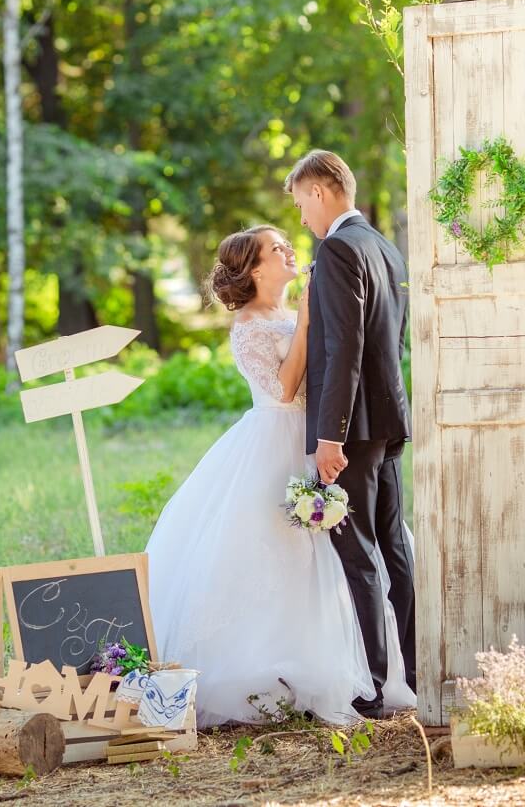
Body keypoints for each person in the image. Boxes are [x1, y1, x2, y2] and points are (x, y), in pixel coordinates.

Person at [145, 224, 378, 727]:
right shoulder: (249, 326)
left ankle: (320, 664)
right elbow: (283, 389)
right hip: (273, 440)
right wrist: (309, 319)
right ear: (254, 269)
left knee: (320, 553)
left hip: (314, 438)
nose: (289, 250)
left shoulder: (290, 313)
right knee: (273, 549)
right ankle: (260, 673)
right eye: (277, 248)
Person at [286, 150, 416, 715]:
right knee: (394, 549)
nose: (301, 220)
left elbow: (343, 349)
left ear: (319, 192)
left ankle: (374, 685)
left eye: (299, 204)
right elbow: (394, 339)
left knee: (359, 553)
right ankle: (413, 670)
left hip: (353, 431)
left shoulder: (336, 249)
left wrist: (330, 436)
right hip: (386, 423)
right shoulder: (384, 246)